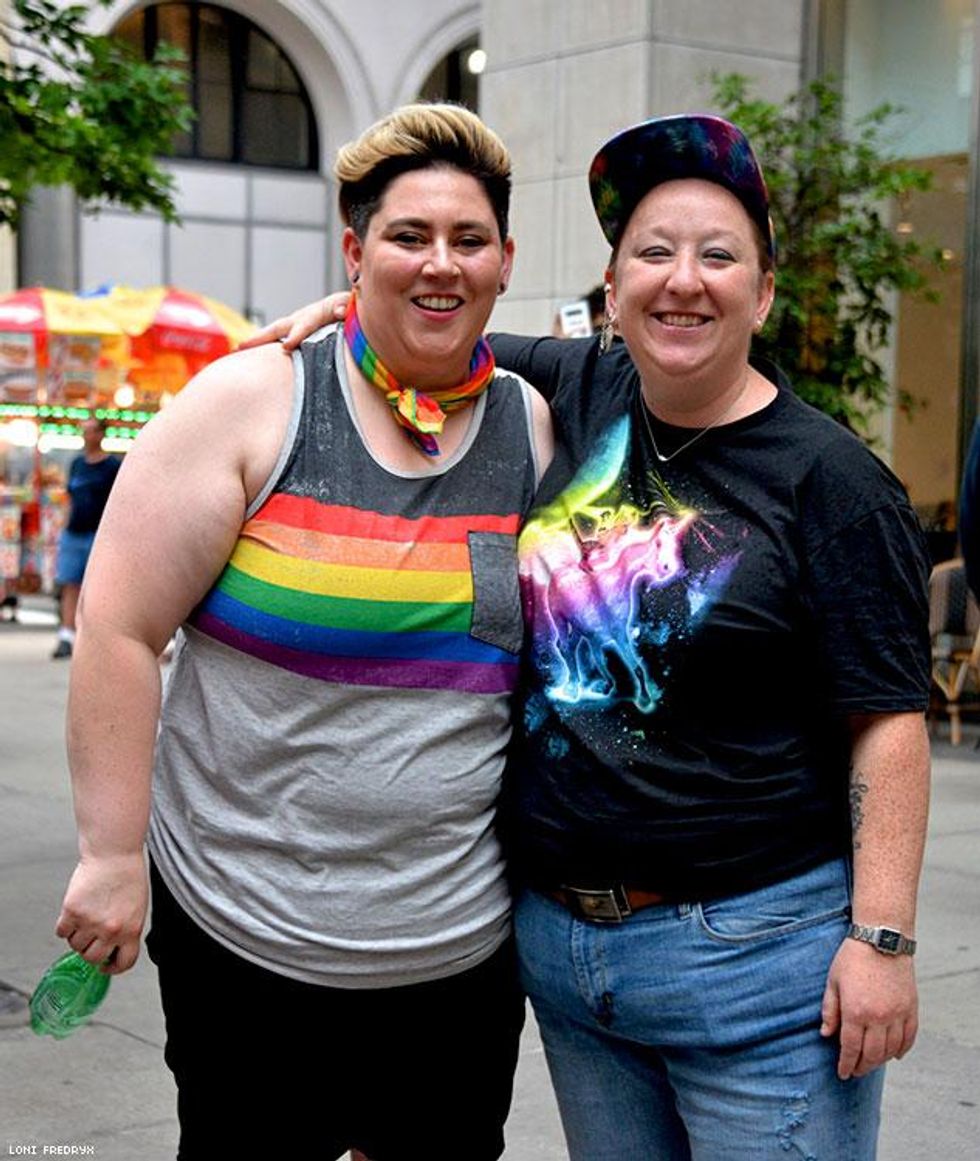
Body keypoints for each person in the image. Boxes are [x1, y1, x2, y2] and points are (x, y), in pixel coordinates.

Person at [255, 112, 932, 1160]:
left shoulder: (831, 484)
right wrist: (338, 314)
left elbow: (886, 723)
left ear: (760, 293)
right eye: (651, 253)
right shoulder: (573, 386)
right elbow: (433, 330)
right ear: (610, 292)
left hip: (755, 970)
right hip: (568, 970)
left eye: (717, 256)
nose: (681, 280)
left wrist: (879, 940)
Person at [54, 103, 553, 1161]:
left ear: (505, 261)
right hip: (248, 942)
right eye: (407, 237)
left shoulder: (533, 423)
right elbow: (117, 627)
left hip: (456, 959)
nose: (440, 263)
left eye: (467, 241)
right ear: (353, 249)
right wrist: (109, 852)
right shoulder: (247, 404)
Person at [51, 415, 120, 658]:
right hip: (74, 532)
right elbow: (69, 497)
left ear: (101, 434)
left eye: (90, 430)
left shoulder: (112, 466)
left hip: (99, 534)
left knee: (96, 587)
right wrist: (63, 526)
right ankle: (65, 636)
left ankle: (93, 636)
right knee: (69, 583)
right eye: (84, 430)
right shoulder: (76, 464)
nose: (86, 435)